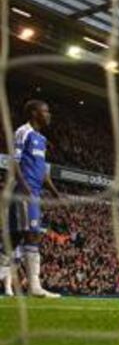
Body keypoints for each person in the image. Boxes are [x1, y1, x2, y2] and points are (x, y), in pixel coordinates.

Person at [7, 99, 60, 298]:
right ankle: (35, 287)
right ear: (34, 113)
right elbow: (15, 162)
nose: (48, 115)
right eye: (45, 111)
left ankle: (33, 286)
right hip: (24, 191)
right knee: (32, 234)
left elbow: (43, 171)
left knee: (14, 239)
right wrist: (25, 187)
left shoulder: (41, 139)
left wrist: (54, 192)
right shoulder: (23, 132)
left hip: (34, 192)